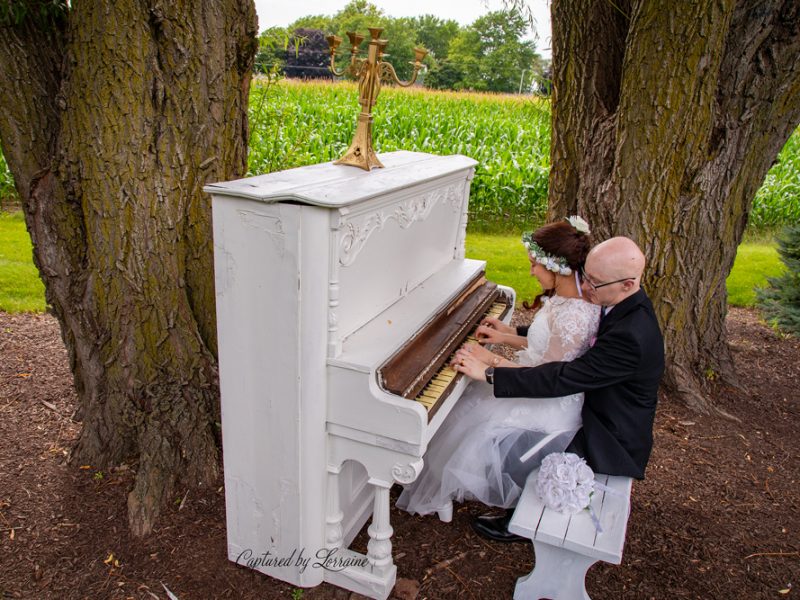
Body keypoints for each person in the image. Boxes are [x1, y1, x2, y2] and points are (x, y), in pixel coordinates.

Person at [453, 236, 665, 543]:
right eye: (586, 276)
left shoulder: (632, 335)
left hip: (609, 432)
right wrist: (516, 334)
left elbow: (563, 377)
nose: (585, 287)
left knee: (509, 437)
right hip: (589, 399)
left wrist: (490, 372)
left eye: (595, 282)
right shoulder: (618, 303)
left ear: (628, 284)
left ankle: (530, 517)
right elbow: (572, 340)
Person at [395, 217, 601, 520]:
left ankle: (442, 489)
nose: (531, 271)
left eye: (535, 264)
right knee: (462, 405)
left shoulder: (576, 315)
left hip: (547, 405)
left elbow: (542, 377)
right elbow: (542, 345)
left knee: (466, 418)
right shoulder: (567, 298)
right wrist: (503, 336)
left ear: (556, 267)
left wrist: (487, 361)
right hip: (536, 382)